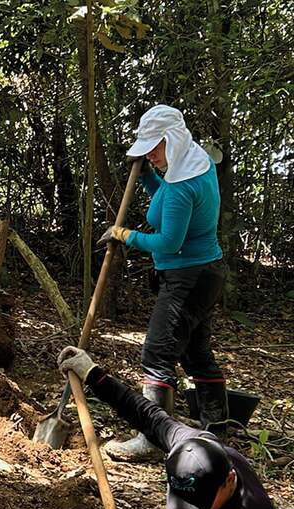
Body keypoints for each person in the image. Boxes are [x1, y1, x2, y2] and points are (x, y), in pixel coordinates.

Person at [58, 346, 288, 509]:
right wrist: (93, 375)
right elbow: (147, 416)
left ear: (229, 480)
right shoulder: (194, 447)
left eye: (200, 505)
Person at [99, 104, 229, 462]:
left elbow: (168, 241)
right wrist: (146, 177)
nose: (151, 156)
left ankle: (152, 438)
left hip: (188, 276)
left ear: (172, 141)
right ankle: (217, 428)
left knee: (157, 353)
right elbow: (164, 195)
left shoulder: (183, 186)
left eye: (155, 149)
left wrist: (124, 234)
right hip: (204, 273)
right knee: (196, 353)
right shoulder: (192, 164)